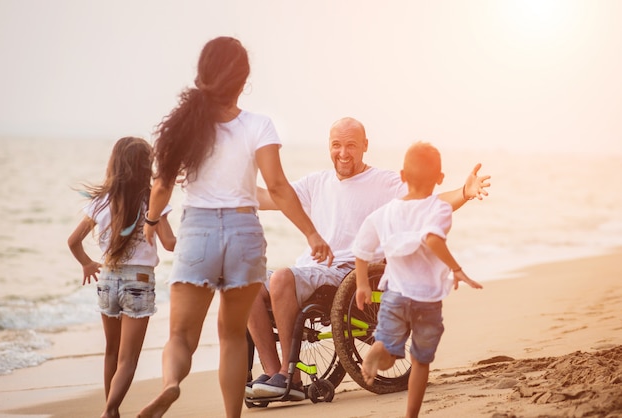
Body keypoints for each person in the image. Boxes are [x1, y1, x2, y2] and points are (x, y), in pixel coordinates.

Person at [137, 36, 333, 418]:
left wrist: (151, 221)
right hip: (244, 233)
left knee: (180, 336)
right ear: (244, 80)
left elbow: (160, 187)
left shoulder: (182, 126)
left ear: (202, 75)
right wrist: (311, 233)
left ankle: (171, 385)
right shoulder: (259, 125)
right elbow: (278, 187)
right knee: (231, 337)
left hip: (198, 233)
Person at [247, 117, 490, 400]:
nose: (343, 153)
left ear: (365, 146)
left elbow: (427, 202)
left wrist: (465, 192)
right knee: (244, 285)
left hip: (347, 273)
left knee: (280, 279)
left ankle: (292, 379)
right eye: (336, 145)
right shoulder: (316, 183)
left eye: (351, 145)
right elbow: (268, 197)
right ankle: (273, 373)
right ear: (329, 146)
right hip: (311, 269)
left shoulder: (383, 182)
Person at [353, 141, 483, 417]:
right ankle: (411, 415)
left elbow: (362, 247)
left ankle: (379, 349)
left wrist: (363, 283)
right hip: (427, 301)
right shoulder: (439, 209)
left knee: (389, 355)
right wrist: (456, 268)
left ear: (402, 176)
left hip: (396, 295)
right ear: (440, 179)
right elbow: (433, 238)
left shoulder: (386, 212)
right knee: (420, 361)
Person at [67, 136, 176, 418]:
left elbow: (73, 241)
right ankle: (110, 410)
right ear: (145, 165)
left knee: (112, 353)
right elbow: (169, 243)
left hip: (107, 280)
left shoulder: (101, 201)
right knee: (128, 359)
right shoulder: (153, 199)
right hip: (138, 283)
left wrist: (88, 264)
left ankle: (111, 412)